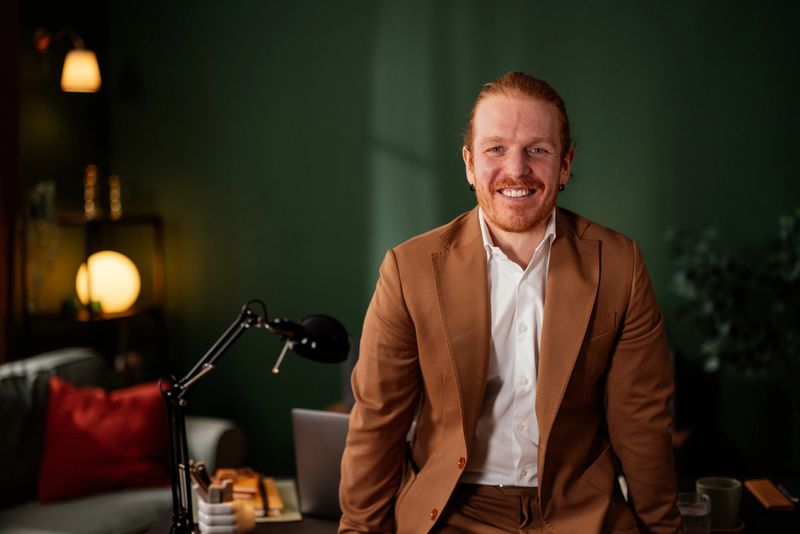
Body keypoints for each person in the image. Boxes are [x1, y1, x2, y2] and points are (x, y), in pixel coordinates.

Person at [339, 71, 681, 534]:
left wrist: (664, 529)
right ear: (468, 164)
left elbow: (641, 423)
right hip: (453, 512)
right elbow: (378, 423)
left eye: (537, 150)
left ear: (564, 165)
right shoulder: (408, 269)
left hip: (581, 511)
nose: (516, 169)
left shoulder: (621, 264)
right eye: (495, 149)